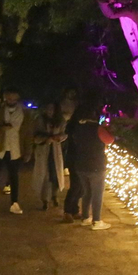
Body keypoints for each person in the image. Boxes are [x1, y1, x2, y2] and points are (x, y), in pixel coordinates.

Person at [0, 88, 33, 216]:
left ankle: (14, 203)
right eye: (9, 98)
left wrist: (28, 151)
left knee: (14, 177)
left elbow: (28, 133)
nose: (11, 100)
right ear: (4, 97)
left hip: (15, 148)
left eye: (14, 98)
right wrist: (2, 128)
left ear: (18, 98)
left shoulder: (25, 113)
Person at [64, 91, 115, 231]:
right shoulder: (97, 129)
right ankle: (97, 221)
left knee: (86, 192)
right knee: (97, 194)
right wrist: (107, 129)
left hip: (80, 164)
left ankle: (86, 217)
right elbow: (110, 140)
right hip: (96, 164)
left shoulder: (77, 128)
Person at [32, 101, 67, 210]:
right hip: (44, 151)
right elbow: (35, 136)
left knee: (55, 175)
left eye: (52, 109)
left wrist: (59, 137)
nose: (49, 111)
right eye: (48, 108)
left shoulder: (60, 120)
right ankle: (45, 200)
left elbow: (65, 133)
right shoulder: (40, 120)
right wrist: (46, 139)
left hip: (55, 151)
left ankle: (54, 195)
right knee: (45, 176)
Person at [58, 92, 82, 223]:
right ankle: (68, 211)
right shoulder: (74, 125)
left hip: (80, 156)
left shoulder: (77, 123)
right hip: (75, 157)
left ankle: (74, 209)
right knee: (76, 184)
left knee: (80, 186)